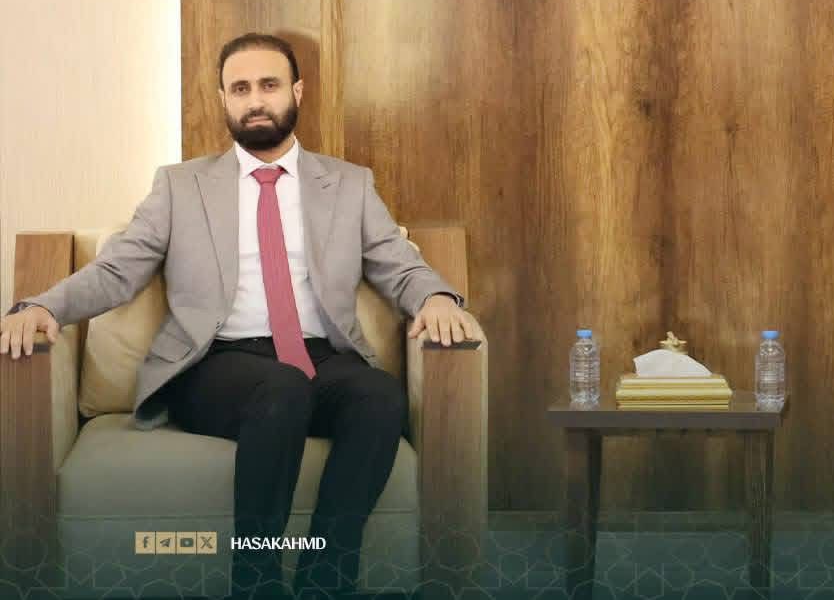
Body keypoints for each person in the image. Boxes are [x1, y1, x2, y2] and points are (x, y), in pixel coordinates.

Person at [0, 32, 479, 598]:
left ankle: (326, 579)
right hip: (217, 363)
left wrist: (437, 298)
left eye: (269, 85)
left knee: (379, 395)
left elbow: (399, 264)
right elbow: (116, 270)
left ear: (297, 91)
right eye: (240, 88)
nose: (255, 100)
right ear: (223, 99)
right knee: (282, 388)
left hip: (320, 357)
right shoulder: (180, 186)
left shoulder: (349, 185)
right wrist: (42, 305)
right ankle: (255, 584)